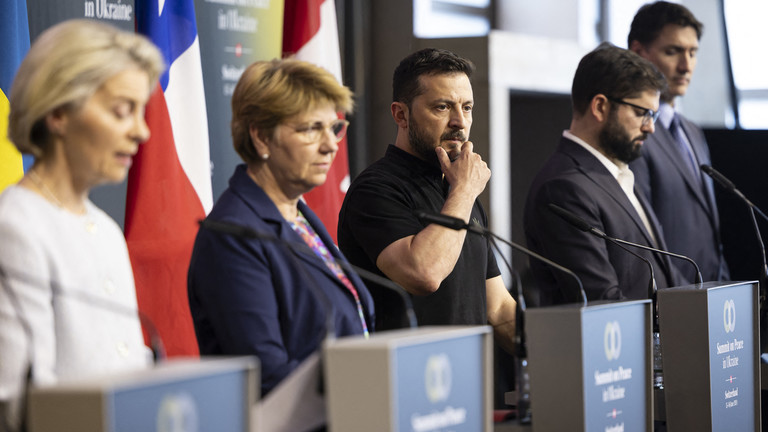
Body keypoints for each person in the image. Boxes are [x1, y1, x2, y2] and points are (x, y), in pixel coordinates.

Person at [0, 20, 164, 430]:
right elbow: (16, 402)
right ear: (58, 112)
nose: (142, 131)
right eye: (122, 110)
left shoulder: (104, 228)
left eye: (141, 112)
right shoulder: (16, 227)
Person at [187, 59, 374, 397]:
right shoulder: (233, 235)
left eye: (334, 128)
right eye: (310, 129)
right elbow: (268, 373)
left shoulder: (299, 216)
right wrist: (363, 393)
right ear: (261, 137)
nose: (331, 144)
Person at [338, 48, 516, 352]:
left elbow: (497, 307)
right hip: (412, 384)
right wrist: (463, 193)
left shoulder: (460, 187)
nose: (460, 122)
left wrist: (559, 355)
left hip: (474, 382)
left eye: (468, 107)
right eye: (443, 107)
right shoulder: (376, 189)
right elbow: (424, 274)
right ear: (401, 114)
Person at [524, 43, 687, 305]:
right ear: (600, 107)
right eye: (641, 113)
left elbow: (665, 275)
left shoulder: (619, 172)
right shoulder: (563, 187)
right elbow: (602, 299)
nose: (650, 128)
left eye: (653, 116)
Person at [627, 2, 728, 283]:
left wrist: (723, 288)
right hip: (674, 304)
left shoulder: (693, 131)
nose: (686, 65)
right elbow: (643, 240)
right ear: (638, 52)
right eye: (672, 52)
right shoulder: (632, 133)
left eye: (692, 52)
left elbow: (710, 236)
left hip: (714, 299)